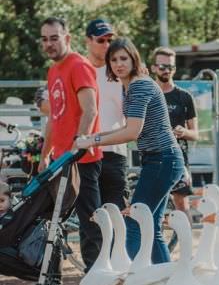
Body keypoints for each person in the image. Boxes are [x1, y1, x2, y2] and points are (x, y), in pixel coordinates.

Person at [75, 37, 184, 264]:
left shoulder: (139, 86)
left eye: (123, 58)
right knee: (150, 226)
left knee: (135, 222)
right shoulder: (130, 87)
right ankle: (165, 282)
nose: (118, 64)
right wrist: (90, 138)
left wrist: (93, 141)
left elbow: (132, 132)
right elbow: (126, 128)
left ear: (134, 59)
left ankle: (125, 280)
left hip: (162, 159)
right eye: (113, 60)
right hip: (160, 160)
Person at [39, 17, 103, 272]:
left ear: (67, 38)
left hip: (82, 159)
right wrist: (46, 155)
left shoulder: (78, 66)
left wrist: (79, 145)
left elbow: (91, 110)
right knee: (52, 221)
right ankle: (50, 279)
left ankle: (98, 279)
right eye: (44, 39)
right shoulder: (54, 70)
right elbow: (54, 118)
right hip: (61, 160)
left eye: (54, 38)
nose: (49, 44)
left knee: (90, 223)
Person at [85, 18, 129, 210]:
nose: (107, 45)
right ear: (88, 40)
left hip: (115, 152)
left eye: (110, 40)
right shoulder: (79, 68)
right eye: (101, 40)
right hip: (86, 152)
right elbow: (45, 99)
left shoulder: (121, 70)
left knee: (117, 214)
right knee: (90, 216)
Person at [151, 46, 198, 217]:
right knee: (153, 203)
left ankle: (187, 242)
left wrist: (183, 132)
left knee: (181, 203)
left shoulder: (184, 97)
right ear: (154, 68)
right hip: (153, 155)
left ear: (175, 69)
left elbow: (195, 134)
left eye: (170, 67)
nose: (166, 71)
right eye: (162, 67)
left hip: (179, 157)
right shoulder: (148, 94)